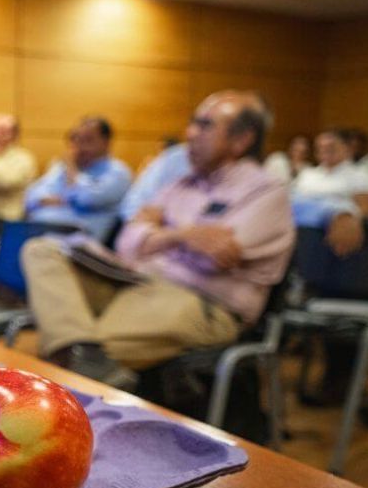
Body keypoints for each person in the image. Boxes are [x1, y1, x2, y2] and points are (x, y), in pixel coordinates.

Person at [21, 91, 294, 388]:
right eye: (192, 123)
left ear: (241, 140)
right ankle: (82, 353)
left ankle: (80, 356)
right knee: (42, 250)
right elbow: (127, 240)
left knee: (83, 356)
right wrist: (185, 235)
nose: (190, 134)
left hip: (199, 299)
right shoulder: (182, 184)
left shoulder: (266, 192)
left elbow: (211, 259)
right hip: (136, 280)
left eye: (205, 125)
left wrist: (157, 232)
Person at [23, 117, 132, 239]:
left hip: (78, 240)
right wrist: (63, 199)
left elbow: (87, 198)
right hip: (41, 228)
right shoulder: (62, 168)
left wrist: (71, 172)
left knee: (34, 248)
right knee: (1, 243)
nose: (80, 146)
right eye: (78, 139)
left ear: (106, 142)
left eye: (88, 140)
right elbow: (31, 196)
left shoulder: (118, 172)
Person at [291, 128, 368, 257]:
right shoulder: (308, 174)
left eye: (331, 147)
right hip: (299, 233)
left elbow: (366, 209)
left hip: (336, 235)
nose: (324, 150)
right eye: (319, 148)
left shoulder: (361, 174)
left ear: (347, 148)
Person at [119, 142, 192, 222]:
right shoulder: (174, 158)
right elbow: (132, 205)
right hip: (141, 225)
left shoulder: (175, 159)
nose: (192, 133)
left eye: (205, 129)